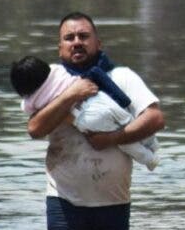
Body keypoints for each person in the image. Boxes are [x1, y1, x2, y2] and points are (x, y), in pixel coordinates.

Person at [26, 12, 165, 230]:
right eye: (69, 38)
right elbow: (35, 128)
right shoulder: (49, 84)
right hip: (65, 201)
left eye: (84, 36)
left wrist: (112, 138)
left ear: (98, 44)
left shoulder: (122, 77)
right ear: (60, 49)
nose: (77, 41)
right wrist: (71, 95)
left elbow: (155, 119)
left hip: (114, 202)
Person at [11, 55, 159, 170]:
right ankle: (153, 144)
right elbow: (34, 129)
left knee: (125, 143)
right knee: (128, 122)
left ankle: (150, 160)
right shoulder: (58, 71)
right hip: (100, 99)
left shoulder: (35, 100)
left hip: (85, 117)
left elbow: (27, 109)